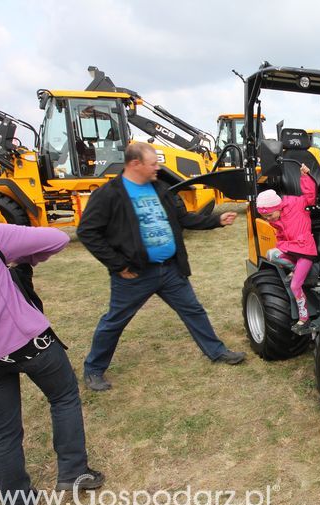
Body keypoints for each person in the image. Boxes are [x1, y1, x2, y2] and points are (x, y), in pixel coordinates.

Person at [77, 143, 244, 392]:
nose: (158, 168)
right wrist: (118, 265)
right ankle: (93, 370)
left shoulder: (160, 188)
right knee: (114, 321)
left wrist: (216, 220)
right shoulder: (109, 194)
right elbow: (87, 232)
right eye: (153, 163)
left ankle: (217, 352)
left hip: (170, 270)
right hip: (134, 274)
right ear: (135, 164)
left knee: (193, 311)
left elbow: (183, 218)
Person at [0, 221, 104, 505]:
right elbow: (57, 238)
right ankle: (74, 473)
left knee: (2, 431)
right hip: (26, 341)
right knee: (63, 398)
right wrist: (22, 258)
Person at [256, 163, 317, 327]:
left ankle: (304, 318)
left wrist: (305, 177)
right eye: (265, 217)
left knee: (295, 285)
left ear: (277, 207)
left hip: (304, 251)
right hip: (292, 251)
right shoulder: (277, 221)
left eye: (269, 215)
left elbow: (310, 196)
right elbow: (281, 239)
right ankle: (295, 269)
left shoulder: (296, 204)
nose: (268, 219)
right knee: (271, 254)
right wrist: (282, 249)